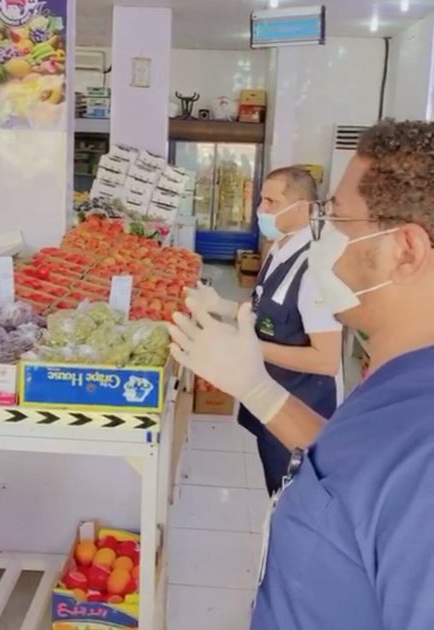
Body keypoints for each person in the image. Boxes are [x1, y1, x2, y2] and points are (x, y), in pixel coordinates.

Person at [170, 119, 434, 629]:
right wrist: (257, 389)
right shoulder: (395, 377)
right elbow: (348, 467)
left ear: (405, 250)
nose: (324, 237)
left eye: (339, 220)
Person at [189, 167, 342, 495]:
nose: (261, 209)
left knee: (293, 495)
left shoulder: (314, 267)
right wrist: (224, 307)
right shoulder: (278, 248)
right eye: (261, 199)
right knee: (274, 485)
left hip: (300, 407)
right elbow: (266, 307)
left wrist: (249, 347)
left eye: (272, 202)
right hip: (270, 395)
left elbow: (326, 360)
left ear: (302, 207)